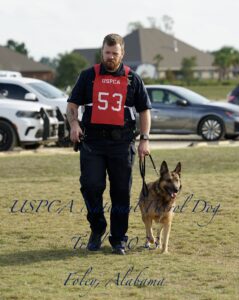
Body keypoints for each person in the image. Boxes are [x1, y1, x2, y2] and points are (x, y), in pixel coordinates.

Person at [67, 33, 151, 255]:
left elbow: (144, 110)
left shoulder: (133, 79)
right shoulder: (87, 76)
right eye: (107, 53)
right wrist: (74, 124)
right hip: (92, 143)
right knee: (91, 186)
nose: (111, 57)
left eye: (115, 53)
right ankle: (97, 228)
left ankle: (118, 239)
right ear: (101, 52)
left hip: (121, 144)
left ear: (122, 53)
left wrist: (144, 139)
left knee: (121, 192)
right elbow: (73, 103)